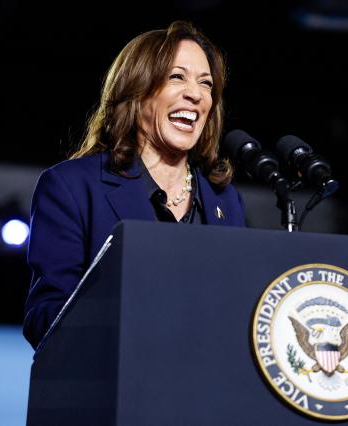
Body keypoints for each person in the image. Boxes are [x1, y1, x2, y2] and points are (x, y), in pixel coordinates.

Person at [23, 20, 246, 350]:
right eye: (176, 77)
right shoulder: (72, 187)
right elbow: (45, 318)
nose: (196, 94)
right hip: (113, 388)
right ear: (136, 89)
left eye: (206, 84)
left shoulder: (225, 201)